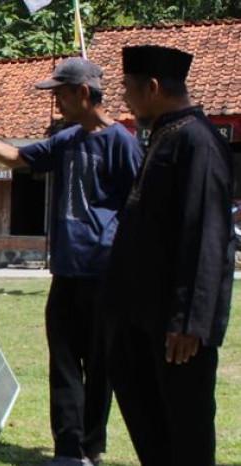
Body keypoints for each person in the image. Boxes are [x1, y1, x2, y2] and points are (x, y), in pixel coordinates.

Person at [0, 57, 143, 466]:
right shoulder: (65, 141)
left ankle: (91, 447)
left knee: (100, 367)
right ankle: (68, 450)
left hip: (104, 276)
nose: (56, 102)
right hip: (66, 273)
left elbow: (138, 209)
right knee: (64, 364)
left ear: (84, 93)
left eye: (61, 93)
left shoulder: (122, 143)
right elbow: (14, 157)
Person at [108, 45, 234, 466]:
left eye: (127, 88)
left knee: (185, 434)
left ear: (153, 87)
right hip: (142, 319)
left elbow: (207, 236)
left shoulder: (198, 141)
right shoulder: (164, 135)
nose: (124, 98)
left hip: (177, 331)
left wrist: (189, 322)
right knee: (152, 429)